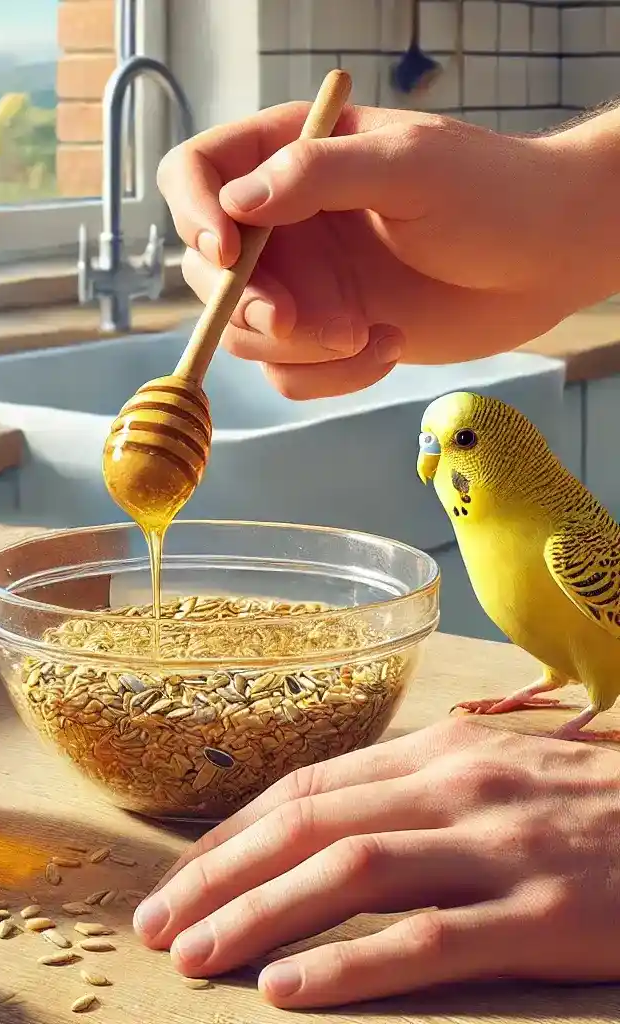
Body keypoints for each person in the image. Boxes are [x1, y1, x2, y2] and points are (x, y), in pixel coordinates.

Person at [133, 100, 620, 1009]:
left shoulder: (571, 543)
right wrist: (578, 205)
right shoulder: (495, 517)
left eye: (457, 445)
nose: (433, 460)